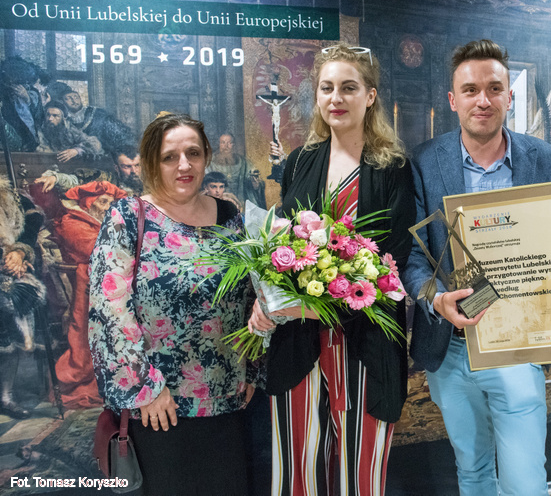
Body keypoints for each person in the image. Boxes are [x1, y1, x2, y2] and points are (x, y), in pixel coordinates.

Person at [402, 39, 551, 496]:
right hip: (451, 345)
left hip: (518, 346)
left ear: (509, 96)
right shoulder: (424, 161)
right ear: (452, 100)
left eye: (494, 88)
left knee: (525, 481)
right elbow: (413, 257)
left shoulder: (545, 158)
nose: (483, 100)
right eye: (470, 90)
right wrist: (435, 298)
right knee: (472, 472)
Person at [248, 44, 414, 495]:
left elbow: (393, 262)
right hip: (298, 345)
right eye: (327, 88)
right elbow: (281, 244)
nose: (336, 98)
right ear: (317, 96)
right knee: (297, 471)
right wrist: (266, 302)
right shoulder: (300, 161)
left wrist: (317, 302)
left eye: (349, 87)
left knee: (360, 478)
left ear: (370, 96)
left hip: (366, 343)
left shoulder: (393, 168)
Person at [88, 113, 255, 495]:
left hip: (227, 402)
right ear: (152, 162)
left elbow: (251, 298)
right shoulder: (128, 217)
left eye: (193, 153)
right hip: (158, 408)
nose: (184, 165)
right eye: (169, 157)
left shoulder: (230, 217)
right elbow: (109, 311)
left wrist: (253, 369)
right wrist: (144, 388)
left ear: (206, 156)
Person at [47, 181, 128, 409]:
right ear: (88, 203)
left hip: (110, 280)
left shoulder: (107, 221)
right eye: (103, 202)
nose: (108, 207)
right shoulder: (71, 222)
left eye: (111, 203)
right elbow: (98, 251)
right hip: (85, 289)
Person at [0, 176, 46, 419]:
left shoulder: (13, 197)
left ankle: (5, 397)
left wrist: (19, 252)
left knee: (14, 341)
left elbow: (33, 221)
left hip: (10, 277)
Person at [47, 82, 134, 152]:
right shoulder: (62, 119)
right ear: (62, 102)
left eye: (76, 97)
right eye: (69, 98)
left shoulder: (98, 113)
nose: (74, 101)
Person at [35, 144, 144, 197]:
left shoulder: (150, 181)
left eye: (137, 165)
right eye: (127, 167)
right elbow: (75, 180)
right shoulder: (106, 179)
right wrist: (56, 178)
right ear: (117, 168)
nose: (134, 171)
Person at [206, 133, 267, 208]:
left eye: (229, 143)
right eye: (223, 142)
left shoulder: (244, 163)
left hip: (241, 203)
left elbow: (257, 181)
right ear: (219, 144)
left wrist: (256, 185)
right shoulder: (209, 164)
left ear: (234, 145)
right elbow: (205, 185)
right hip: (218, 202)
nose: (226, 146)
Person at [37, 101, 103, 162]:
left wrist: (76, 150)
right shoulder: (39, 131)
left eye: (55, 116)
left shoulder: (70, 130)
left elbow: (95, 144)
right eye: (48, 115)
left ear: (64, 118)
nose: (50, 119)